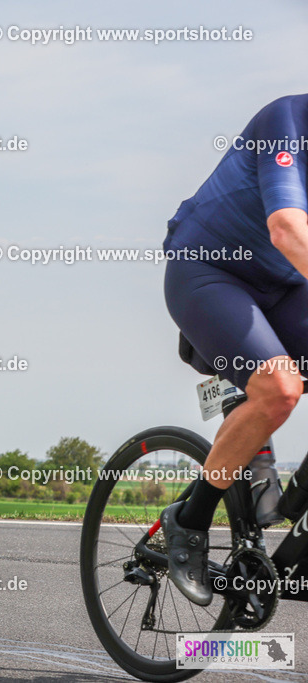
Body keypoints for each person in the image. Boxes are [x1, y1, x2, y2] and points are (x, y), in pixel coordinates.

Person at [161, 94, 308, 605]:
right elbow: (287, 228)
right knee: (280, 389)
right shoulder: (287, 121)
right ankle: (188, 521)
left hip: (285, 287)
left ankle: (289, 515)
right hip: (208, 271)